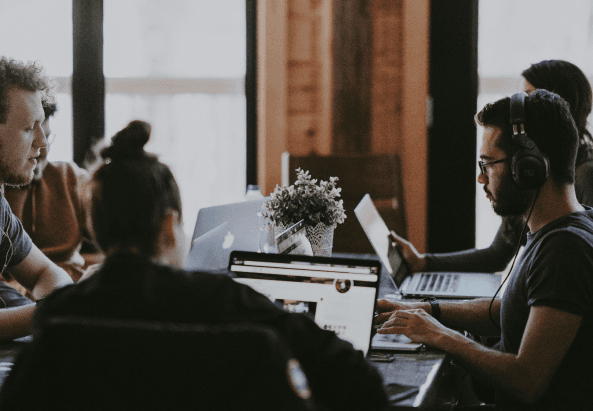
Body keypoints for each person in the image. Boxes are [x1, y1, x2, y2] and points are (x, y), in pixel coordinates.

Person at [31, 120, 389, 410]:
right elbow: (360, 380)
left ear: (95, 226)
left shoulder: (60, 315)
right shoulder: (226, 302)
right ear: (170, 226)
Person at [376, 90, 593, 410]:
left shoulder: (564, 250)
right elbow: (506, 311)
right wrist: (425, 312)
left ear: (529, 167)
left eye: (488, 164)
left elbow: (527, 380)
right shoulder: (562, 229)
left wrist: (440, 335)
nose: (480, 177)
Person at [394, 60, 593, 274]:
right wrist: (423, 262)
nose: (521, 112)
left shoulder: (581, 180)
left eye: (531, 98)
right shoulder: (522, 174)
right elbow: (496, 256)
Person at [0, 55, 74, 344]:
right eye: (29, 127)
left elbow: (46, 271)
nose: (43, 143)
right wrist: (48, 313)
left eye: (41, 126)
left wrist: (54, 304)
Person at [0, 100, 101, 283]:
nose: (43, 150)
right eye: (31, 139)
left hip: (66, 282)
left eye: (47, 137)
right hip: (12, 290)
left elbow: (111, 235)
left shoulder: (70, 176)